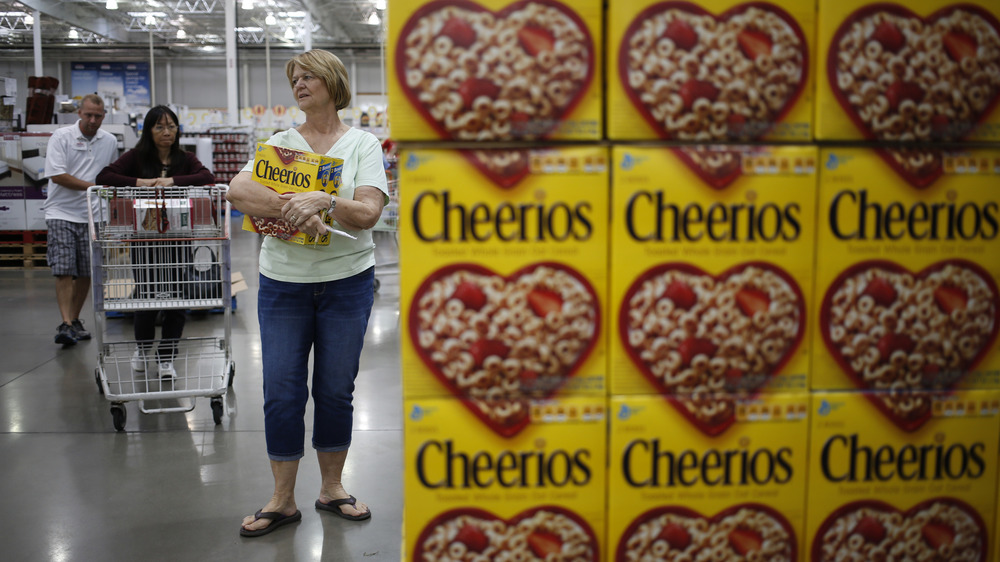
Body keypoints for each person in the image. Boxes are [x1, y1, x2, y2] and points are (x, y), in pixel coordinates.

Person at [227, 49, 388, 538]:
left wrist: (326, 199)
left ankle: (332, 488)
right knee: (281, 392)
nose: (299, 84)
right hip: (283, 286)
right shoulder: (280, 143)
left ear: (332, 82)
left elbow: (367, 214)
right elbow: (237, 190)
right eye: (294, 78)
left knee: (336, 390)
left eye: (308, 76)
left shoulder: (363, 145)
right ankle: (281, 499)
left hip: (347, 283)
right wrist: (295, 202)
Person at [97, 105, 215, 379]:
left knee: (177, 297)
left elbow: (206, 177)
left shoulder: (185, 158)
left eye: (172, 126)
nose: (167, 132)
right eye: (160, 127)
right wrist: (142, 182)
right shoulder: (136, 157)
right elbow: (104, 176)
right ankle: (142, 349)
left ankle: (166, 358)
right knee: (146, 296)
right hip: (145, 240)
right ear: (148, 130)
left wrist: (171, 181)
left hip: (177, 239)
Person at [43, 93, 118, 346]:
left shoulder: (108, 141)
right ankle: (64, 322)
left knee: (87, 271)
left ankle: (74, 321)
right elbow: (57, 175)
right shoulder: (61, 137)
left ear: (104, 116)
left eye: (98, 116)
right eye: (88, 115)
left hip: (93, 214)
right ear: (79, 113)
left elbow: (112, 173)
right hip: (61, 212)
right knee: (64, 269)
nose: (93, 120)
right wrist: (92, 187)